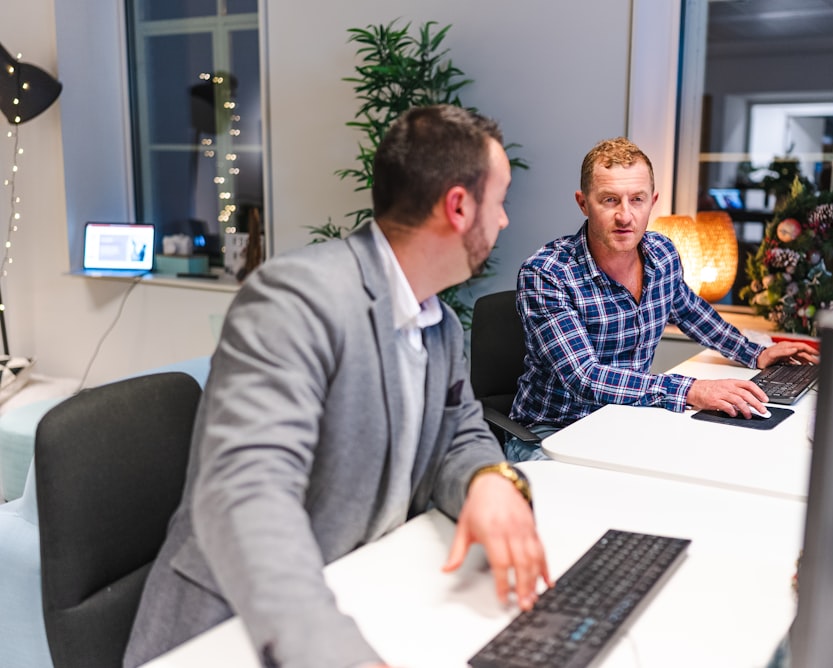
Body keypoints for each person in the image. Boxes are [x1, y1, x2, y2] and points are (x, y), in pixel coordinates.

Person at [124, 105, 550, 668]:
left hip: (366, 590)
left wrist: (489, 482)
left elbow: (461, 434)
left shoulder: (439, 322)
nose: (504, 222)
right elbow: (250, 496)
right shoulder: (296, 298)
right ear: (458, 207)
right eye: (500, 202)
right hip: (240, 628)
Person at [506, 137, 818, 462]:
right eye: (610, 200)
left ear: (652, 201)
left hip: (624, 422)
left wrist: (757, 353)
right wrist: (690, 390)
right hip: (550, 434)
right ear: (583, 203)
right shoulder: (547, 274)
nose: (625, 216)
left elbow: (690, 312)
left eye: (637, 199)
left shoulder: (662, 254)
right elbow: (584, 376)